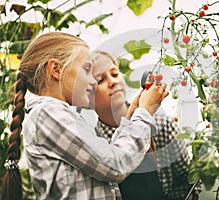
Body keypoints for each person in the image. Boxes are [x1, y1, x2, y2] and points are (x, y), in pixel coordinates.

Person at [1, 32, 169, 200]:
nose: (93, 81)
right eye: (87, 70)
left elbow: (106, 155)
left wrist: (132, 114)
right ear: (56, 70)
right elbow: (114, 165)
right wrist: (144, 113)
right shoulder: (48, 113)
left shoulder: (56, 114)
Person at [87, 50, 200, 200]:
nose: (113, 82)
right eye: (100, 80)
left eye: (114, 74)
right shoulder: (93, 144)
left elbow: (186, 180)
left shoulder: (161, 124)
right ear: (86, 97)